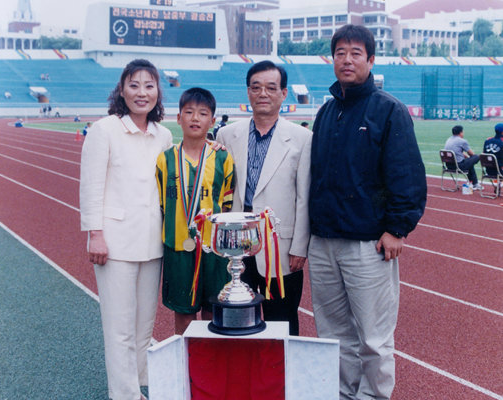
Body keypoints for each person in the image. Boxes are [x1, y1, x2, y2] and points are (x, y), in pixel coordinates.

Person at [308, 25, 426, 399]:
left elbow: (406, 175)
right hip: (325, 243)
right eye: (340, 52)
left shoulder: (388, 110)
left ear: (370, 60)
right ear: (332, 59)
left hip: (368, 245)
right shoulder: (327, 113)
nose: (347, 59)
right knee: (333, 336)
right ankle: (343, 394)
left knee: (373, 338)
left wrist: (397, 228)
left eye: (356, 53)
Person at [80, 59, 172, 400]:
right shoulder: (104, 130)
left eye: (149, 86)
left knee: (143, 326)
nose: (142, 93)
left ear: (157, 92)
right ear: (122, 90)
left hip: (152, 243)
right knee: (119, 327)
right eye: (134, 85)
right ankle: (125, 395)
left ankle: (139, 382)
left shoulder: (163, 134)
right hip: (115, 243)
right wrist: (95, 233)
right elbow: (91, 186)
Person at [217, 60, 312, 336]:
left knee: (281, 320)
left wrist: (299, 247)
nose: (263, 94)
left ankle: (281, 377)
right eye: (256, 87)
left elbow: (304, 196)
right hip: (237, 245)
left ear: (284, 93)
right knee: (237, 319)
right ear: (248, 92)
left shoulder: (302, 138)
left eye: (271, 87)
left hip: (280, 248)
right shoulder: (227, 134)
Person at [156, 87, 235, 335]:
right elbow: (161, 205)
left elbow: (227, 204)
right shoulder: (165, 159)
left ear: (212, 121)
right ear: (178, 118)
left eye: (202, 113)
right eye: (188, 112)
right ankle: (185, 366)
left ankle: (209, 369)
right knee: (184, 315)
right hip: (179, 247)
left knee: (213, 313)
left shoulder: (223, 158)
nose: (194, 118)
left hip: (213, 250)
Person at [445, 125, 482, 190]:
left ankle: (472, 182)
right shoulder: (462, 141)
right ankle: (474, 183)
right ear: (461, 132)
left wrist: (468, 158)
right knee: (477, 157)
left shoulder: (449, 139)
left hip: (448, 165)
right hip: (458, 166)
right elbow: (471, 154)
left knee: (469, 162)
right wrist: (470, 158)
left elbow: (458, 152)